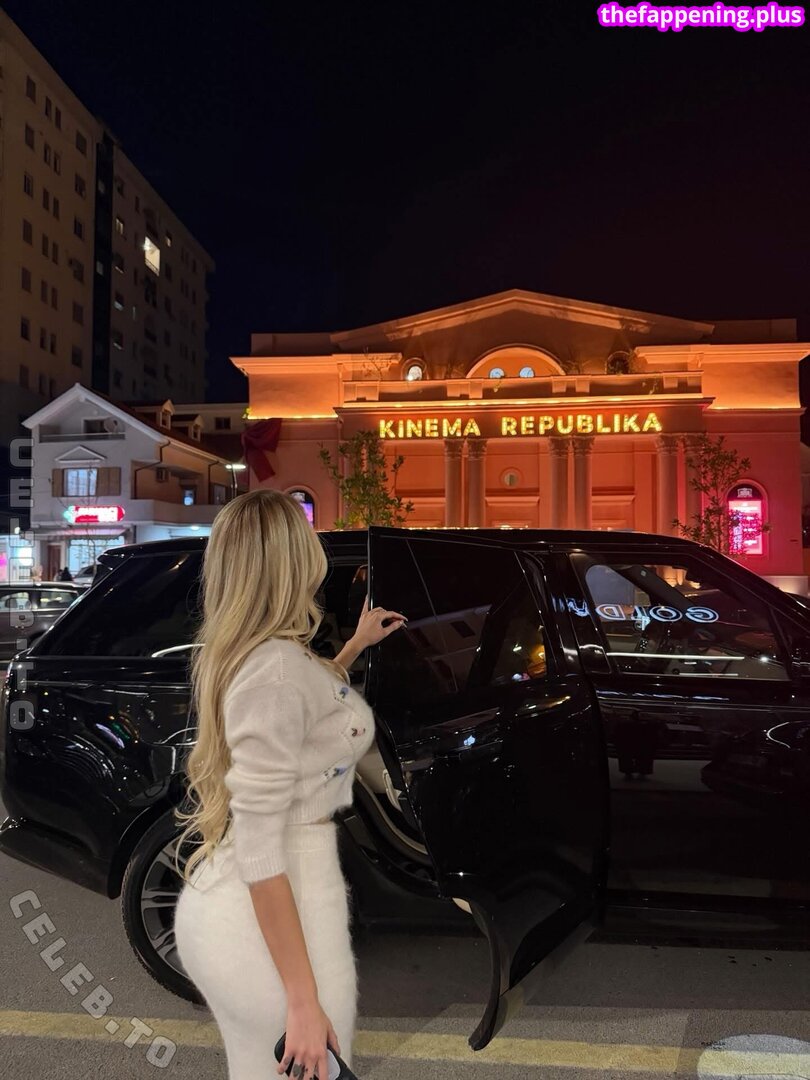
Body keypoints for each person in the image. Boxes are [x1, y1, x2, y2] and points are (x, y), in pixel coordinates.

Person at [174, 489, 406, 1080]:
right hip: (276, 912)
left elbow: (298, 706)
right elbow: (261, 853)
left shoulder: (253, 653)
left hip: (244, 910)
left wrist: (355, 645)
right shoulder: (273, 669)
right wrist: (301, 1001)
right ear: (292, 561)